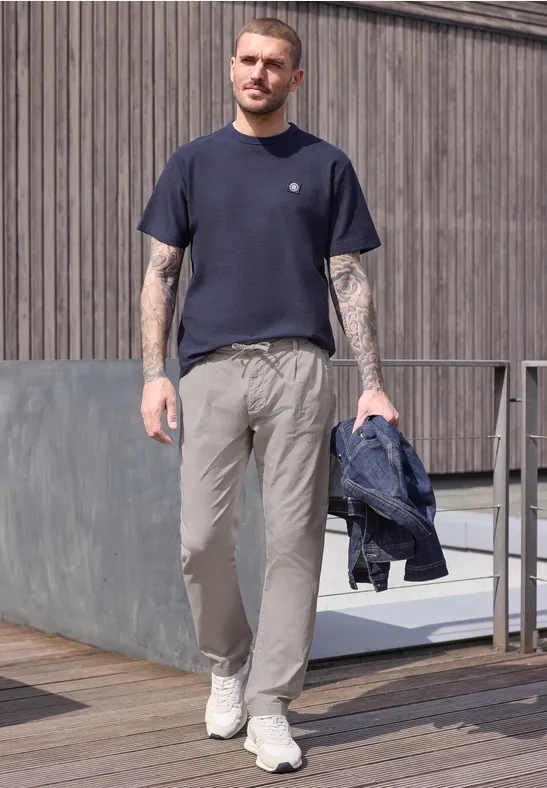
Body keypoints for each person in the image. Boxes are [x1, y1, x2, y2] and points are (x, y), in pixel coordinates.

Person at [138, 17, 398, 775]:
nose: (258, 73)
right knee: (201, 540)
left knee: (293, 543)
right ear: (231, 69)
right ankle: (228, 662)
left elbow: (348, 278)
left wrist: (371, 386)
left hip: (298, 369)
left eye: (274, 63)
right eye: (248, 61)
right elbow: (160, 273)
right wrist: (154, 374)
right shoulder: (192, 163)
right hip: (211, 369)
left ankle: (271, 705)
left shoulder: (325, 165)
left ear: (295, 78)